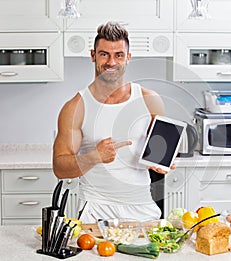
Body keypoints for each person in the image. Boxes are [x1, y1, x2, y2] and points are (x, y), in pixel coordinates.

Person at [52, 21, 174, 223]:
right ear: (93, 56)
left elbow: (163, 151)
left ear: (128, 58)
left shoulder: (149, 99)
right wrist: (94, 156)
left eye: (118, 55)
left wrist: (164, 161)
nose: (111, 62)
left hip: (142, 209)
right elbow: (59, 167)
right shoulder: (76, 107)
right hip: (95, 211)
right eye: (104, 54)